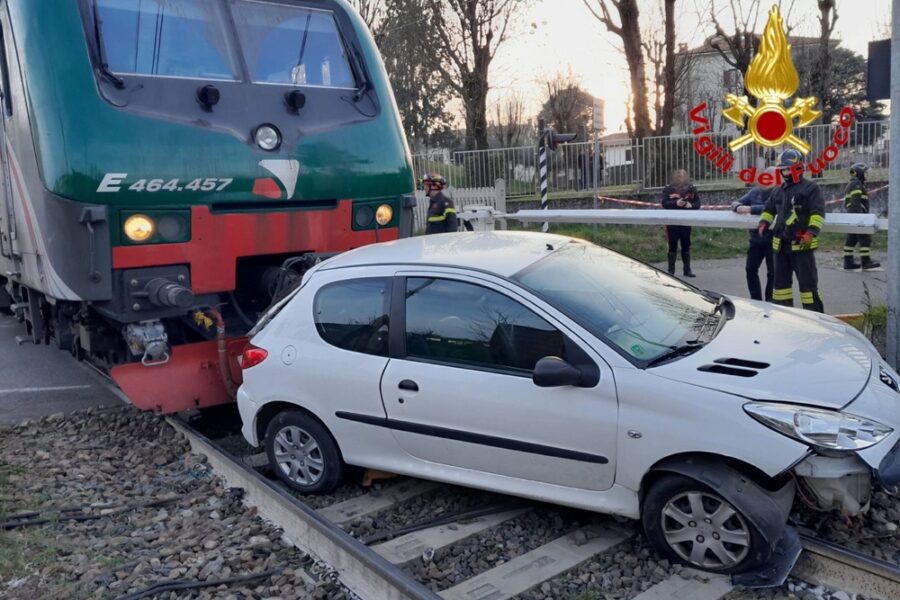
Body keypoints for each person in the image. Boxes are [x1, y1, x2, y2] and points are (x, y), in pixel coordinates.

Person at [758, 150, 825, 313]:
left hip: (801, 246)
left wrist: (811, 232)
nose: (785, 173)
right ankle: (785, 319)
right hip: (780, 248)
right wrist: (764, 221)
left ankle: (816, 319)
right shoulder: (778, 190)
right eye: (783, 169)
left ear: (798, 168)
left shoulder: (811, 188)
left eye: (788, 169)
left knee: (808, 289)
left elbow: (818, 213)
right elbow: (769, 208)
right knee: (780, 289)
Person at [732, 168, 776, 301]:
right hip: (756, 239)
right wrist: (738, 207)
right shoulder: (755, 192)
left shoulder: (780, 192)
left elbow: (774, 208)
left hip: (774, 240)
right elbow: (736, 202)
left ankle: (770, 301)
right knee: (750, 269)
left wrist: (751, 209)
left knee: (773, 273)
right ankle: (756, 299)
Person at [661, 169, 700, 277]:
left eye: (683, 176)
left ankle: (687, 270)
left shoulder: (691, 189)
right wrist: (676, 203)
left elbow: (698, 203)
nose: (681, 178)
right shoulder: (668, 189)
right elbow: (664, 203)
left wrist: (691, 205)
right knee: (672, 246)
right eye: (679, 176)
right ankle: (671, 271)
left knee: (686, 245)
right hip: (672, 222)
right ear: (675, 177)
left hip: (686, 221)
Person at [843, 163, 881, 271]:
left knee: (852, 238)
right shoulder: (856, 184)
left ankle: (848, 262)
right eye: (865, 173)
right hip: (858, 215)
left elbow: (848, 203)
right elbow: (855, 202)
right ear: (859, 173)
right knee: (865, 238)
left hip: (852, 214)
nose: (867, 175)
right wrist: (860, 218)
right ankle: (866, 261)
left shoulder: (852, 184)